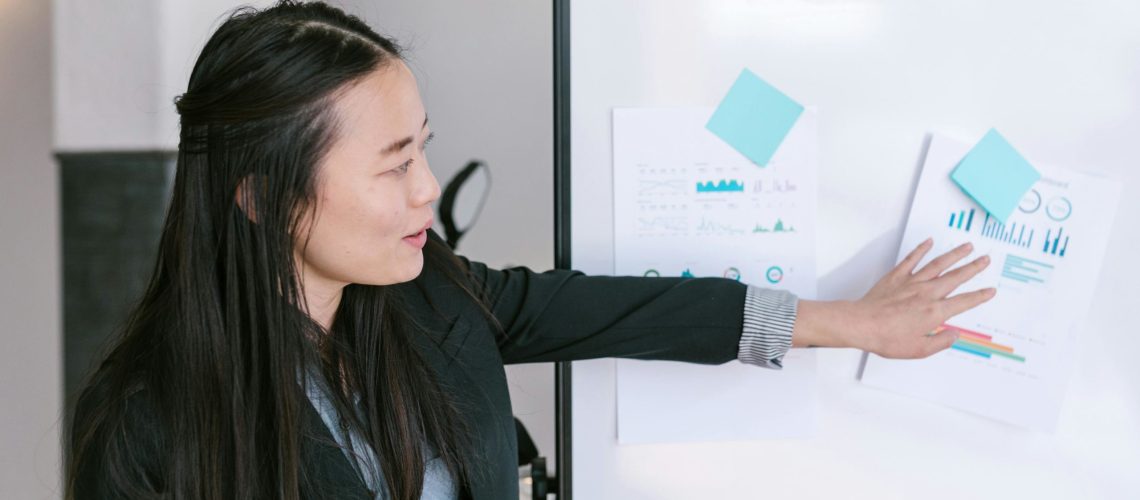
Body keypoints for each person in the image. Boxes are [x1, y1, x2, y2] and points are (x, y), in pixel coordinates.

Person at [64, 1, 996, 499]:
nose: (428, 187)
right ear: (263, 196)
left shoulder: (431, 297)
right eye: (394, 164)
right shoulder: (148, 426)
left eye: (423, 145)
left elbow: (624, 307)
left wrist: (852, 322)